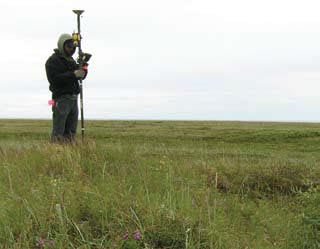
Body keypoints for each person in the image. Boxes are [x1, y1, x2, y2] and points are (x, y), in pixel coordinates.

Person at [45, 33, 87, 142]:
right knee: (59, 130)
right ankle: (55, 154)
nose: (72, 49)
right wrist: (74, 74)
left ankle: (68, 155)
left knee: (71, 131)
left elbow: (81, 75)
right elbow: (55, 79)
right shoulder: (53, 61)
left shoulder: (71, 60)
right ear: (62, 45)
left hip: (73, 99)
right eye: (69, 46)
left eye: (74, 47)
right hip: (61, 99)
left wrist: (84, 65)